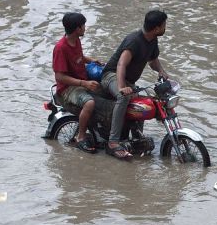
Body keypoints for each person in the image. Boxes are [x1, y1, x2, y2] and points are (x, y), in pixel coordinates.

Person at [101, 10, 172, 160]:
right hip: (112, 76)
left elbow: (153, 61)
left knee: (143, 103)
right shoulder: (134, 40)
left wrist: (161, 71)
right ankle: (113, 142)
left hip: (128, 81)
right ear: (157, 28)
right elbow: (121, 64)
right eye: (164, 25)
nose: (165, 28)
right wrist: (121, 88)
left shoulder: (152, 40)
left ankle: (136, 138)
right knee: (123, 98)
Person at [52, 12, 101, 153]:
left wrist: (91, 60)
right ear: (77, 29)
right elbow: (59, 76)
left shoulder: (76, 40)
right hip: (68, 88)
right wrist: (83, 84)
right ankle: (80, 137)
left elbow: (79, 57)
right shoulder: (61, 48)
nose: (85, 28)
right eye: (83, 25)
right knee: (90, 103)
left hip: (82, 80)